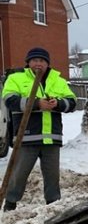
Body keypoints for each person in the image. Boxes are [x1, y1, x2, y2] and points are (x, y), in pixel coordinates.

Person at [1, 47, 77, 212]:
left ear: (47, 64)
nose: (38, 63)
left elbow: (72, 102)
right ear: (28, 62)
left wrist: (57, 103)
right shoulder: (16, 78)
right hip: (26, 137)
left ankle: (53, 205)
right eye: (34, 60)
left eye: (42, 61)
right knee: (19, 174)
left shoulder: (58, 80)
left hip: (52, 138)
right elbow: (9, 99)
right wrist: (37, 103)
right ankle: (10, 204)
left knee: (52, 176)